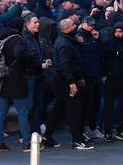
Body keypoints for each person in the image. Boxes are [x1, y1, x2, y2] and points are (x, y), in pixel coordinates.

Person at [43, 19, 94, 150]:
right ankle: (76, 140)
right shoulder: (64, 44)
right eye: (73, 25)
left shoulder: (68, 41)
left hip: (65, 80)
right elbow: (64, 65)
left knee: (58, 109)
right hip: (66, 81)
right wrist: (72, 82)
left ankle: (47, 136)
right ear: (66, 28)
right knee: (74, 110)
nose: (75, 26)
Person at [0, 24, 32, 152]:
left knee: (1, 113)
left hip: (2, 80)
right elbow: (19, 53)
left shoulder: (1, 39)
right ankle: (26, 142)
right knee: (22, 112)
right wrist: (27, 59)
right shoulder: (18, 40)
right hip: (17, 80)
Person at [101, 22, 123, 142]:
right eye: (116, 31)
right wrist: (104, 74)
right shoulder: (108, 44)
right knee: (109, 106)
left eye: (120, 31)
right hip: (111, 78)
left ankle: (120, 130)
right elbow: (103, 60)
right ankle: (108, 131)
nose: (118, 34)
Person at [22, 13, 50, 134]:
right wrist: (40, 65)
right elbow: (27, 58)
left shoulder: (34, 37)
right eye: (35, 22)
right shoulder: (26, 39)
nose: (38, 24)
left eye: (38, 22)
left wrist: (43, 62)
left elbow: (35, 55)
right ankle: (28, 132)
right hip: (30, 76)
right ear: (27, 25)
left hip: (37, 75)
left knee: (38, 105)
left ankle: (35, 130)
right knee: (31, 106)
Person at [76, 16, 104, 140]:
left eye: (93, 25)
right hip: (86, 75)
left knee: (95, 103)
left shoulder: (93, 36)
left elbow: (98, 51)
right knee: (85, 104)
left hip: (95, 73)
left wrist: (97, 39)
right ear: (83, 24)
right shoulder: (79, 36)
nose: (91, 27)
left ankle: (92, 127)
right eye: (89, 25)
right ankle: (83, 129)